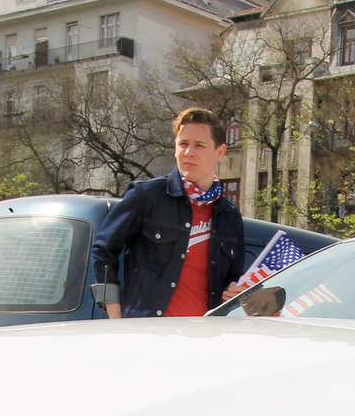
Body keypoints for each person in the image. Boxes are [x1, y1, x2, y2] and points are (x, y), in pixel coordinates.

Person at [90, 108, 247, 319]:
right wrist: (116, 318)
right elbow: (103, 251)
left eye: (199, 145)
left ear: (220, 152)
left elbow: (235, 279)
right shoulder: (145, 196)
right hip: (148, 335)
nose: (188, 152)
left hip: (204, 340)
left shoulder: (229, 216)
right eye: (183, 144)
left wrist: (234, 291)